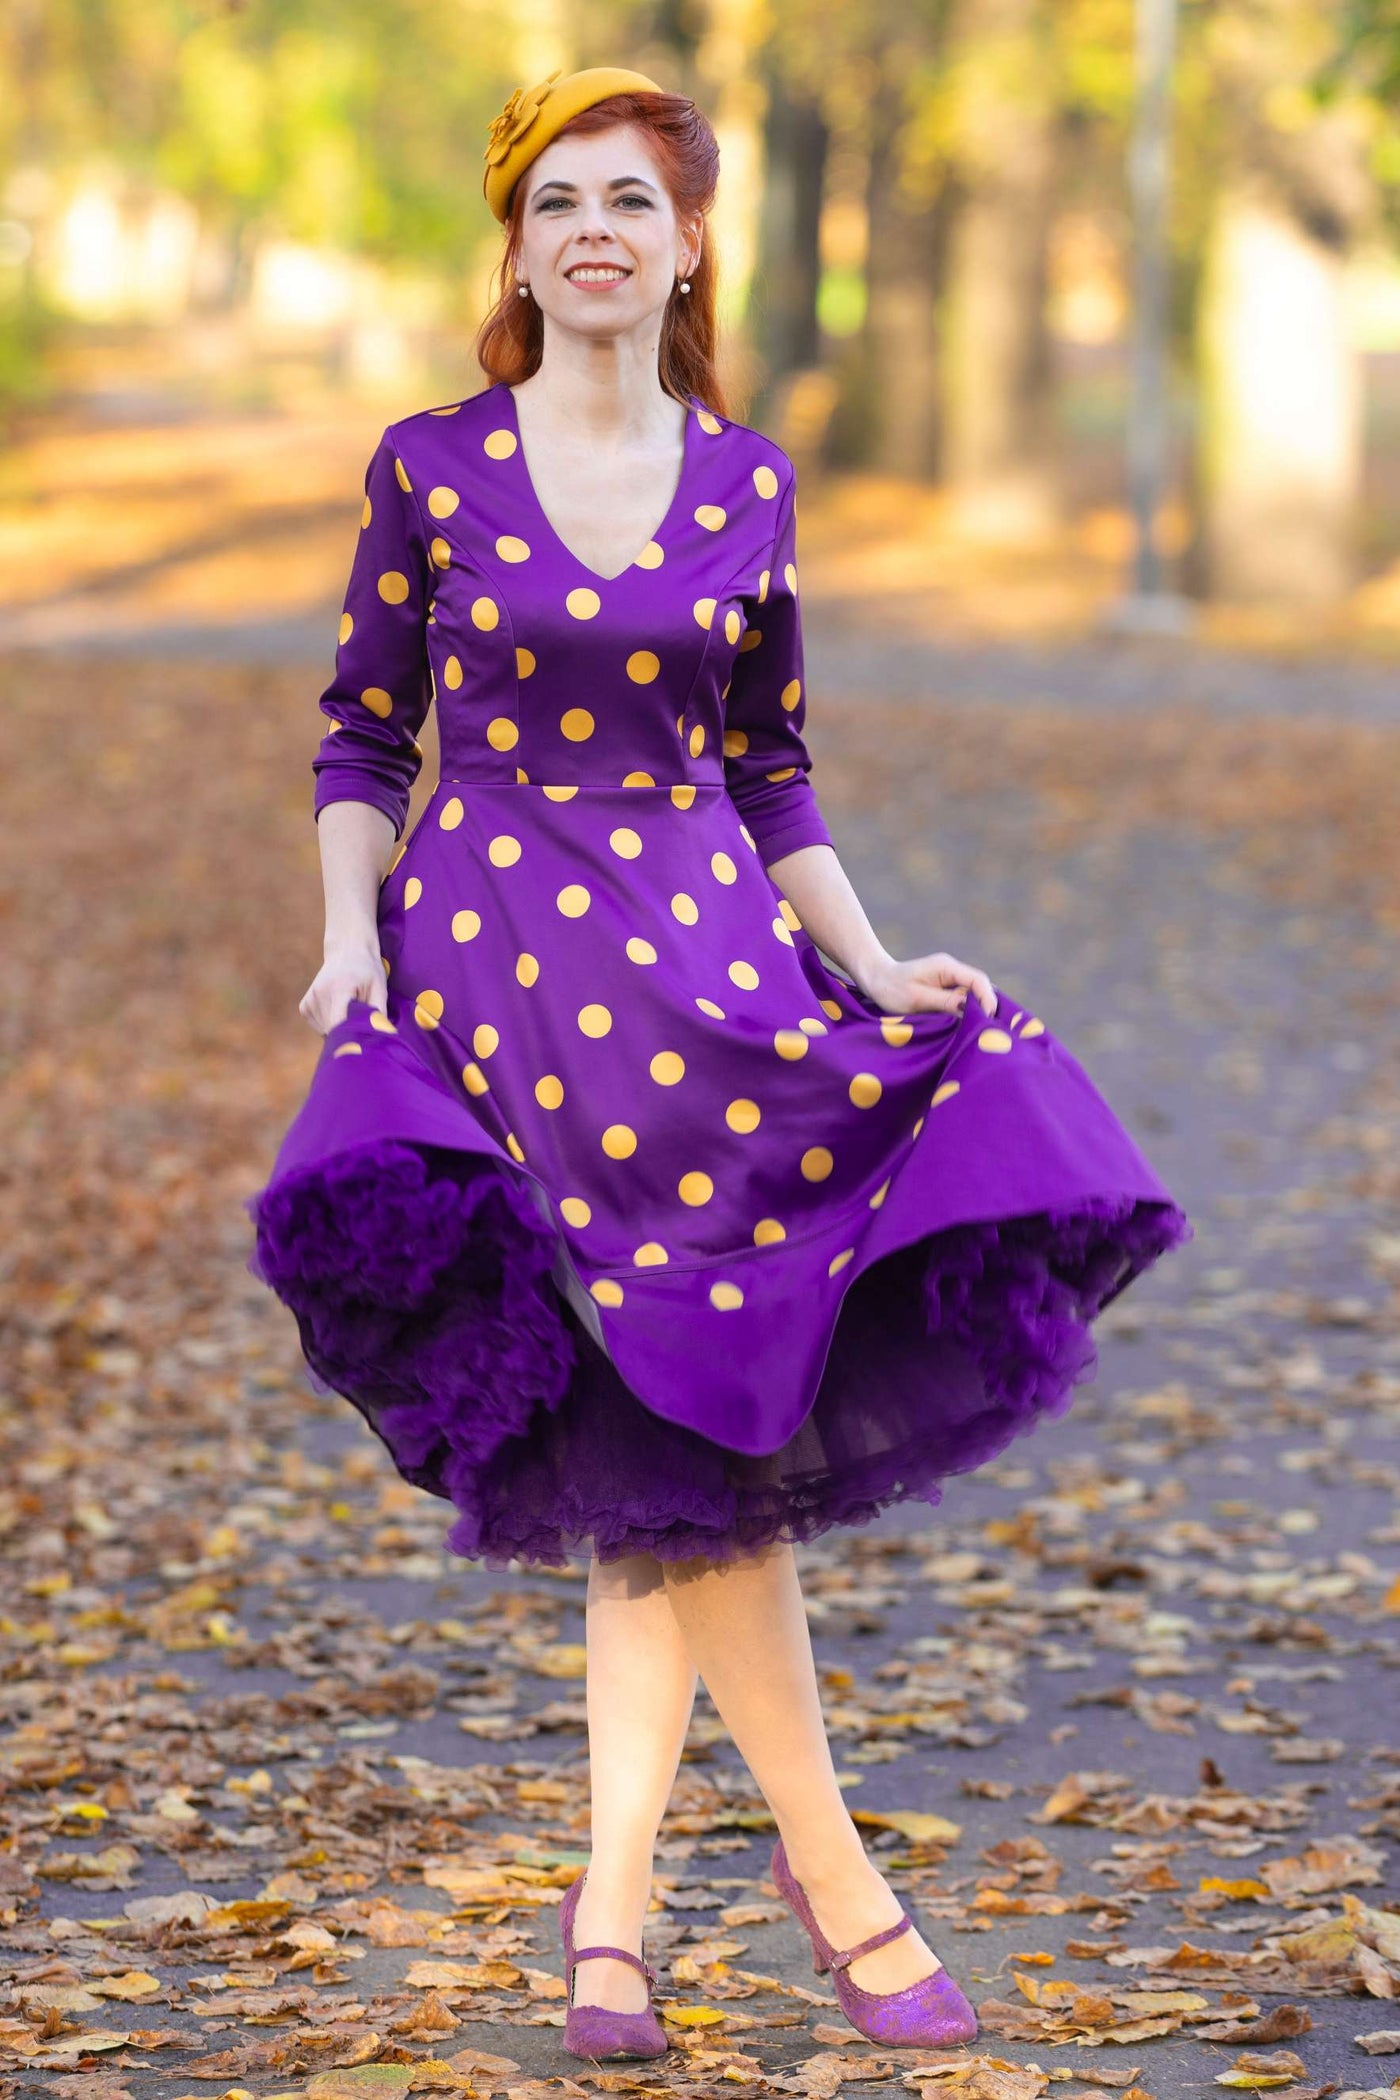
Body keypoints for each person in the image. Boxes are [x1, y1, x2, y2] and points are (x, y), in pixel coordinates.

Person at [245, 66, 1191, 2065]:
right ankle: (826, 1885)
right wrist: (349, 940)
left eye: (633, 204)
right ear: (518, 248)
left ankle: (614, 1914)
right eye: (558, 200)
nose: (594, 229)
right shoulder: (430, 465)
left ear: (683, 252)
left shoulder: (748, 483)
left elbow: (767, 765)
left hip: (706, 979)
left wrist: (870, 955)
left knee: (681, 1446)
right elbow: (363, 740)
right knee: (672, 1453)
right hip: (502, 971)